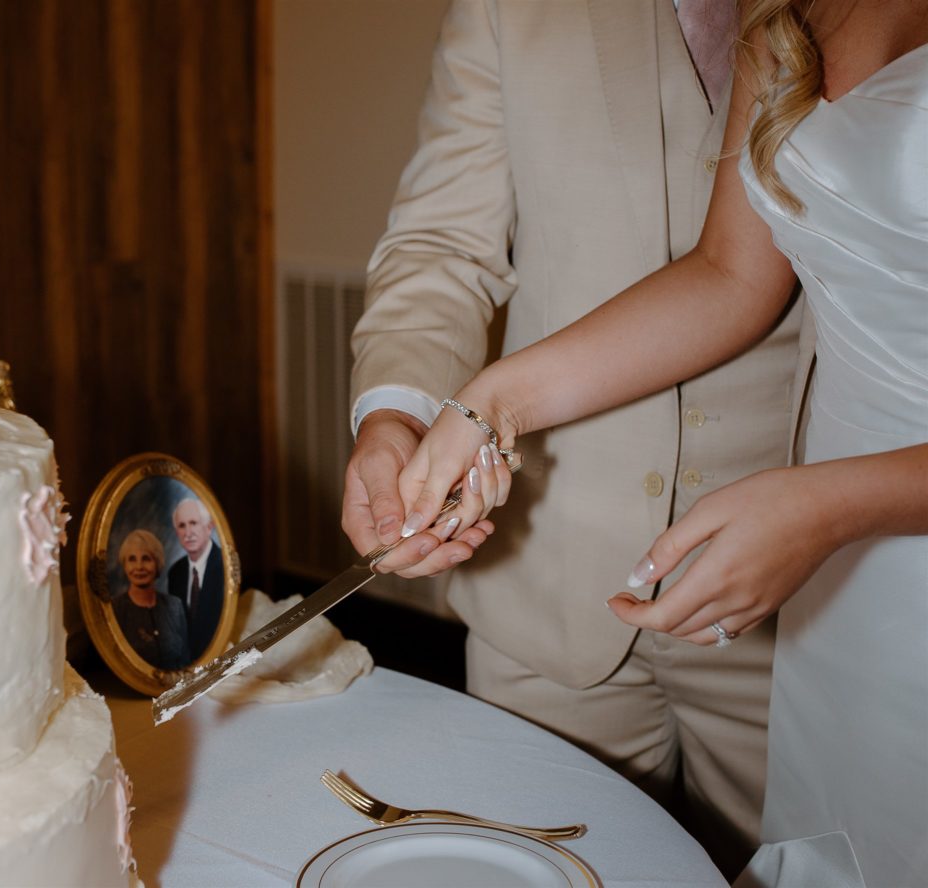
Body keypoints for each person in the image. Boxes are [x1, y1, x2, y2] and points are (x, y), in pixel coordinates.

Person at [390, 2, 928, 884]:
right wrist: (491, 401)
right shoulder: (786, 18)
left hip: (829, 574)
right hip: (662, 596)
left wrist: (828, 504)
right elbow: (729, 277)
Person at [112, 529, 191, 670]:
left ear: (158, 563)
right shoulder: (114, 609)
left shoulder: (174, 606)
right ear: (124, 566)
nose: (139, 566)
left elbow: (186, 659)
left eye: (146, 559)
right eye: (132, 559)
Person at [168, 497, 225, 660]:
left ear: (209, 527)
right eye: (181, 526)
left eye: (193, 523)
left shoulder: (225, 567)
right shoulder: (175, 572)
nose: (188, 532)